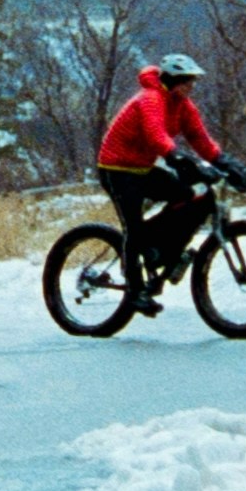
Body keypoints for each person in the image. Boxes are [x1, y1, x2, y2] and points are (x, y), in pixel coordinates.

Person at [95, 52, 224, 308]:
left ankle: (160, 249)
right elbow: (156, 136)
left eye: (192, 81)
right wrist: (179, 157)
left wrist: (225, 162)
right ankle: (134, 292)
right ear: (171, 81)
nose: (191, 86)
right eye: (186, 81)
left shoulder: (182, 104)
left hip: (143, 169)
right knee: (133, 228)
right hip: (116, 169)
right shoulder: (151, 99)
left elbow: (200, 138)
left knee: (191, 196)